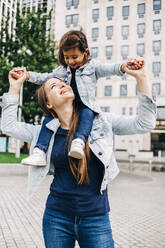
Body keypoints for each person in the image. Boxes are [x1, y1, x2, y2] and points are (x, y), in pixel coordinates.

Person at [1, 59, 156, 248]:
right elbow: (9, 126)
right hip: (56, 218)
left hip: (96, 220)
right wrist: (15, 87)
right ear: (48, 104)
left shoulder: (102, 122)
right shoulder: (44, 132)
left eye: (63, 83)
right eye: (53, 86)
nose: (62, 85)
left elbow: (144, 124)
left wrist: (142, 79)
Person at [11, 30, 143, 166]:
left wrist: (124, 66)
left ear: (85, 52)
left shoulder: (93, 67)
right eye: (66, 57)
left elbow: (111, 68)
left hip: (86, 108)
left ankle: (78, 142)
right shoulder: (61, 71)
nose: (70, 61)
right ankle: (39, 152)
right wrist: (27, 75)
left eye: (74, 57)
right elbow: (43, 78)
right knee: (48, 120)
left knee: (87, 114)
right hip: (69, 110)